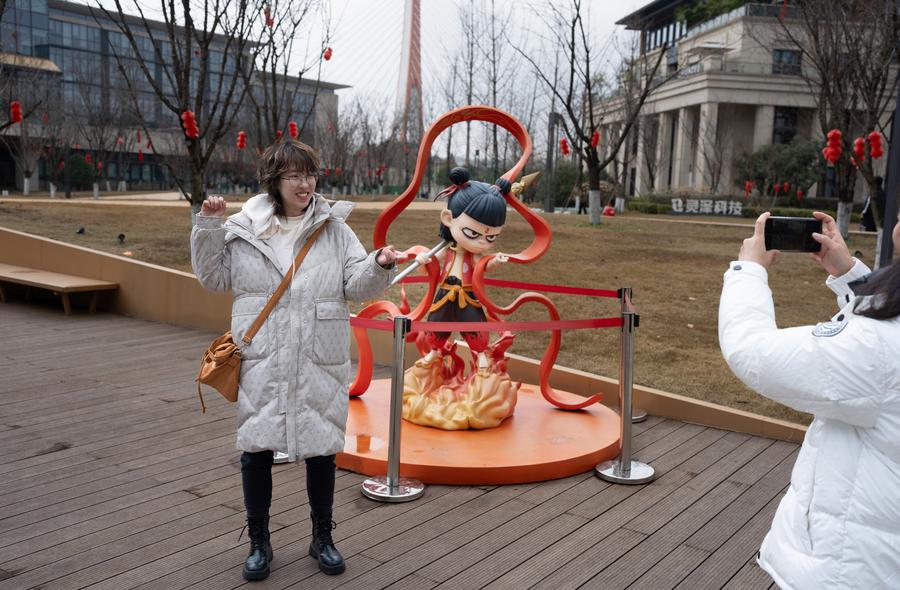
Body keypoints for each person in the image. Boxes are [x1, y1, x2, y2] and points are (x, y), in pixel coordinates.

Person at [191, 139, 402, 581]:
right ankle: (258, 542)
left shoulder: (334, 228)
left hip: (318, 355)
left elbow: (357, 285)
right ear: (274, 180)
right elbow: (213, 277)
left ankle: (322, 537)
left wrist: (380, 263)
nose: (305, 184)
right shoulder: (245, 229)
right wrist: (208, 225)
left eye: (310, 174)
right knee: (256, 449)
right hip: (262, 353)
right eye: (294, 176)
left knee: (323, 449)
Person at [718, 210, 900, 589]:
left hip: (853, 570)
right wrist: (850, 275)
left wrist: (749, 269)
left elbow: (754, 353)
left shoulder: (878, 349)